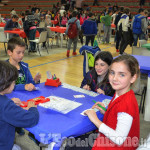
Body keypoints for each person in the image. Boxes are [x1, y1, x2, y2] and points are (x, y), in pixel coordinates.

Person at [85, 55, 140, 149]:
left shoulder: (126, 104)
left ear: (133, 78)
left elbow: (119, 139)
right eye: (112, 73)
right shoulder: (120, 93)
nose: (114, 78)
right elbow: (118, 117)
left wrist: (95, 120)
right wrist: (107, 112)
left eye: (122, 74)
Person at [0, 60, 39, 150]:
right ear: (4, 84)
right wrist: (32, 108)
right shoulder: (6, 106)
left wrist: (9, 102)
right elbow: (31, 119)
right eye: (14, 82)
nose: (15, 84)